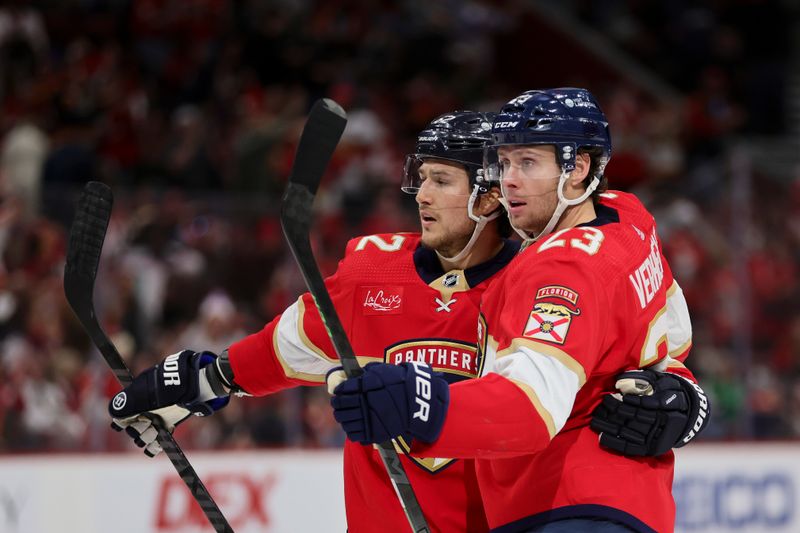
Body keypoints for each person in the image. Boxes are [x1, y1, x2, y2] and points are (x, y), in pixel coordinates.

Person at [109, 110, 513, 533]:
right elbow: (279, 350)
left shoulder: (531, 287)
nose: (422, 195)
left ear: (487, 197)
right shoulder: (374, 272)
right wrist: (204, 381)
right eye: (421, 177)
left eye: (441, 181)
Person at [328, 88, 710, 533]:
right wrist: (685, 391)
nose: (508, 180)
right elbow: (671, 329)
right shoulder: (627, 218)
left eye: (528, 163)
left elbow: (530, 409)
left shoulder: (561, 270)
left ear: (578, 169)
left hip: (565, 508)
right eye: (504, 163)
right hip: (631, 509)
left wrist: (418, 403)